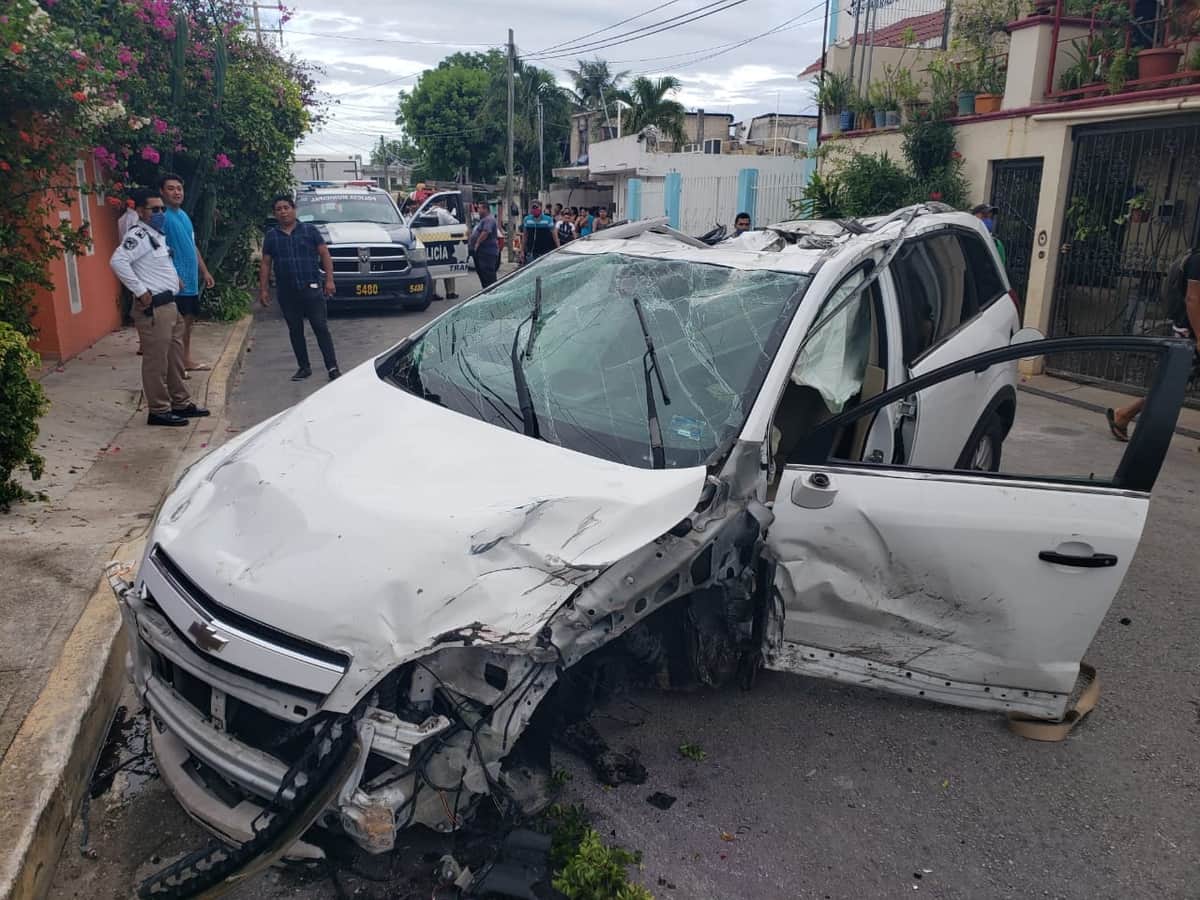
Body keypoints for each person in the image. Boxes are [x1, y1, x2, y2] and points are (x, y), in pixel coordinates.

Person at [109, 188, 209, 427]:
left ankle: (180, 402)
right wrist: (140, 291)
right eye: (155, 209)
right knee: (157, 361)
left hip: (170, 304)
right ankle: (159, 409)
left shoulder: (157, 234)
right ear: (141, 212)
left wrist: (175, 280)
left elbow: (158, 265)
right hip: (154, 308)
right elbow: (118, 261)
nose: (160, 213)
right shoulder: (139, 235)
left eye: (162, 209)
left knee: (174, 358)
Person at [1106, 247, 1200, 441]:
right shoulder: (1197, 261)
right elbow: (1192, 299)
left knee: (1174, 387)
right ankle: (1124, 414)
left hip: (1192, 334)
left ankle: (1124, 414)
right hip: (1189, 335)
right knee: (1173, 387)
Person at [259, 194, 341, 382]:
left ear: (294, 210)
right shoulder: (272, 236)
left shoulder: (309, 230)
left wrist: (329, 280)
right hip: (287, 291)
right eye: (279, 209)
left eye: (286, 208)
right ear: (275, 214)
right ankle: (304, 367)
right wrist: (263, 290)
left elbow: (324, 254)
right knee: (295, 330)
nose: (283, 212)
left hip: (311, 287)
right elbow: (265, 264)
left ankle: (332, 367)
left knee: (320, 327)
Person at [158, 173, 215, 378]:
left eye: (179, 188)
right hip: (175, 283)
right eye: (171, 188)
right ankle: (172, 368)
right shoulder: (162, 218)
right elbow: (160, 251)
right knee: (175, 328)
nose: (176, 192)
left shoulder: (183, 215)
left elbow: (192, 246)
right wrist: (173, 276)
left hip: (190, 281)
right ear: (162, 192)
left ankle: (186, 360)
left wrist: (205, 271)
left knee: (189, 323)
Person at [428, 200, 462, 300]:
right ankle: (450, 292)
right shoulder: (442, 212)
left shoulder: (428, 212)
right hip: (445, 242)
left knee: (433, 268)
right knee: (449, 267)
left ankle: (433, 293)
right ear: (441, 202)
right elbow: (455, 223)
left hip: (431, 243)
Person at [470, 200, 500, 289]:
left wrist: (477, 243)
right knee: (483, 274)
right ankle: (486, 291)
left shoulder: (489, 219)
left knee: (489, 276)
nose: (478, 210)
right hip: (482, 252)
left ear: (485, 209)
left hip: (487, 253)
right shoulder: (482, 220)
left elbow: (486, 232)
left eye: (479, 208)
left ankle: (492, 293)